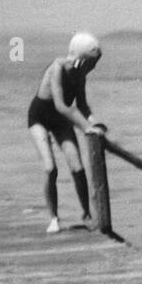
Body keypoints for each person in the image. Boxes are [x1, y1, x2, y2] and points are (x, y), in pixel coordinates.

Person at [27, 32, 106, 234]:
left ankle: (87, 214)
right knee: (50, 168)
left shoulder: (80, 76)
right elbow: (62, 106)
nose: (93, 67)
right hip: (39, 118)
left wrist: (96, 124)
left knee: (77, 168)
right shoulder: (58, 68)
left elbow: (83, 107)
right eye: (91, 63)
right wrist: (86, 128)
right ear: (80, 59)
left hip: (61, 122)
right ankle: (54, 218)